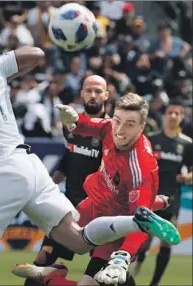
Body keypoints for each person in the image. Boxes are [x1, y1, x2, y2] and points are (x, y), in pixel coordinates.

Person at [0, 31, 180, 286]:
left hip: (1, 168)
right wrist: (1, 76)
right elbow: (36, 54)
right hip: (30, 165)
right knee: (79, 240)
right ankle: (136, 220)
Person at [12, 92, 180, 286]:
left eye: (129, 124)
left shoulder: (140, 167)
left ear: (142, 127)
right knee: (55, 244)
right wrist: (75, 121)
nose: (119, 130)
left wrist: (123, 257)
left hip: (115, 229)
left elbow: (141, 221)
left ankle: (49, 278)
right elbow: (93, 125)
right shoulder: (110, 127)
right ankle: (48, 273)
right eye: (117, 120)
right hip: (91, 207)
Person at [24, 75, 109, 286]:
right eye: (88, 90)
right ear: (81, 93)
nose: (93, 95)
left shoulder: (113, 130)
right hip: (67, 209)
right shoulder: (71, 124)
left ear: (106, 95)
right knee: (41, 263)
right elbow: (69, 158)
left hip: (99, 211)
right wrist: (49, 186)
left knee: (107, 273)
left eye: (98, 91)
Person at [132, 99, 193, 286]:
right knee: (144, 241)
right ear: (165, 115)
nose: (173, 116)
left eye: (177, 113)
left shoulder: (187, 144)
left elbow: (191, 170)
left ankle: (155, 283)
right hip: (149, 197)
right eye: (170, 113)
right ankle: (139, 259)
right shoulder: (151, 139)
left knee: (166, 242)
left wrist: (187, 177)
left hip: (172, 199)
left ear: (182, 117)